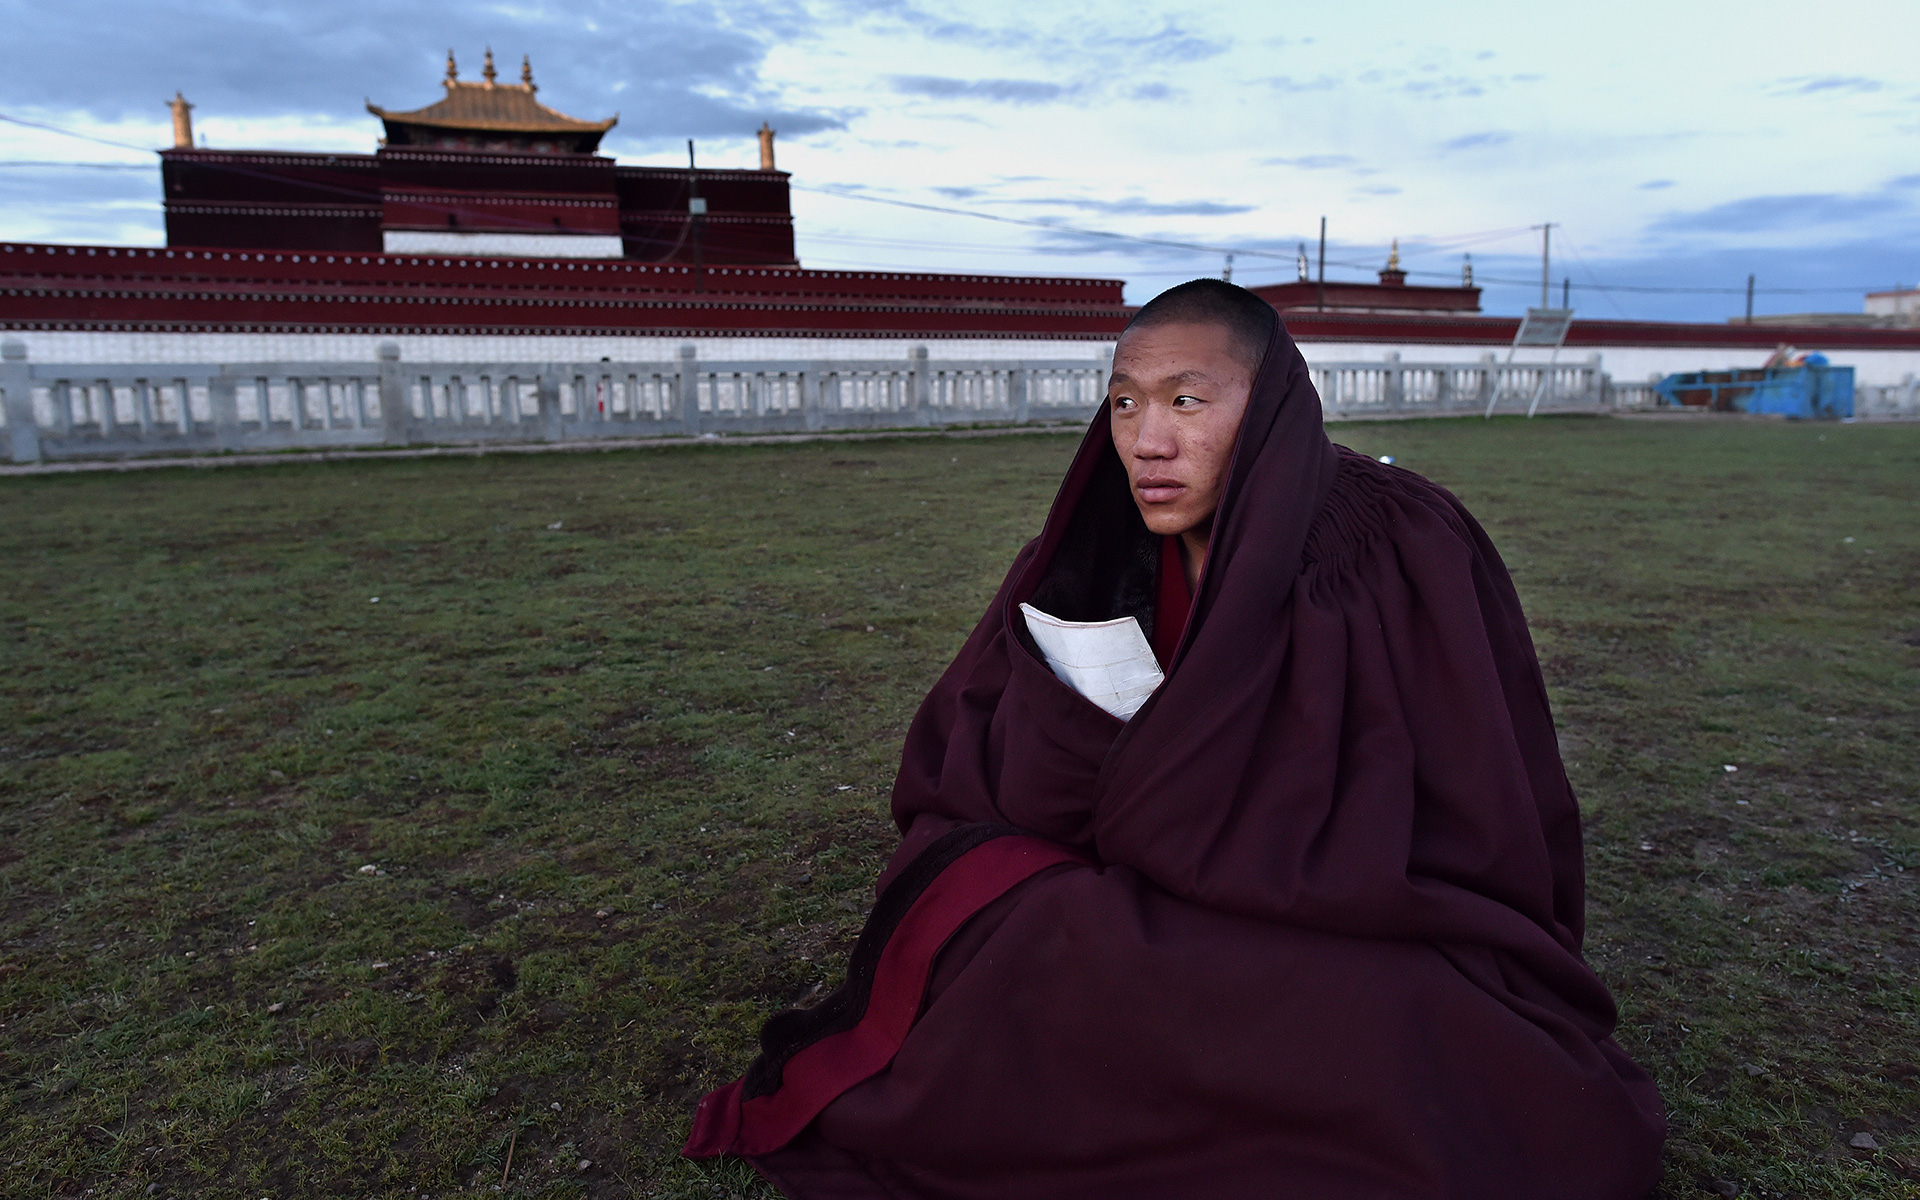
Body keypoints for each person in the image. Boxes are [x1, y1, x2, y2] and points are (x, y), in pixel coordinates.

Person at [684, 279, 1667, 1198]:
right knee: (1011, 924)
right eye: (1124, 404)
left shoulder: (1394, 545)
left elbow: (1473, 798)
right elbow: (968, 757)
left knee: (1454, 1071)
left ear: (1270, 404)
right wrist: (1079, 743)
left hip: (1335, 911)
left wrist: (1215, 824)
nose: (1148, 441)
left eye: (1188, 403)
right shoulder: (1085, 555)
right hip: (1132, 895)